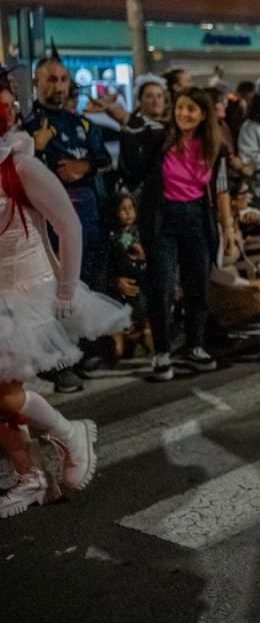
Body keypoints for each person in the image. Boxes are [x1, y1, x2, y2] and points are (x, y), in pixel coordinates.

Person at [0, 97, 129, 516]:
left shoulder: (19, 165)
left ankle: (71, 434)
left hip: (27, 289)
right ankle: (32, 477)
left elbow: (67, 225)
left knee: (5, 392)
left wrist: (67, 290)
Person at [123, 87, 237, 381]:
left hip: (197, 219)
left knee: (196, 285)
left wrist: (228, 227)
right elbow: (134, 155)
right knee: (160, 285)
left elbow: (221, 189)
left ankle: (195, 345)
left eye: (192, 109)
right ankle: (161, 352)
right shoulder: (159, 140)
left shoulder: (215, 148)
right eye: (181, 108)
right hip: (163, 221)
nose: (184, 114)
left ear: (203, 115)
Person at [24, 55, 113, 392]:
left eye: (63, 80)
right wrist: (38, 148)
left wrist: (84, 166)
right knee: (53, 292)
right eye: (51, 79)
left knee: (85, 285)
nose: (57, 86)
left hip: (87, 219)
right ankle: (57, 364)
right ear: (36, 82)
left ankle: (81, 352)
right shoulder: (27, 125)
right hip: (48, 225)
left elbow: (102, 156)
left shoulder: (82, 124)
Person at [106, 193, 151, 363]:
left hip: (142, 286)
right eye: (123, 209)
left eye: (131, 208)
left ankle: (144, 332)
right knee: (117, 351)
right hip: (120, 289)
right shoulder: (111, 237)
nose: (128, 213)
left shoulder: (142, 232)